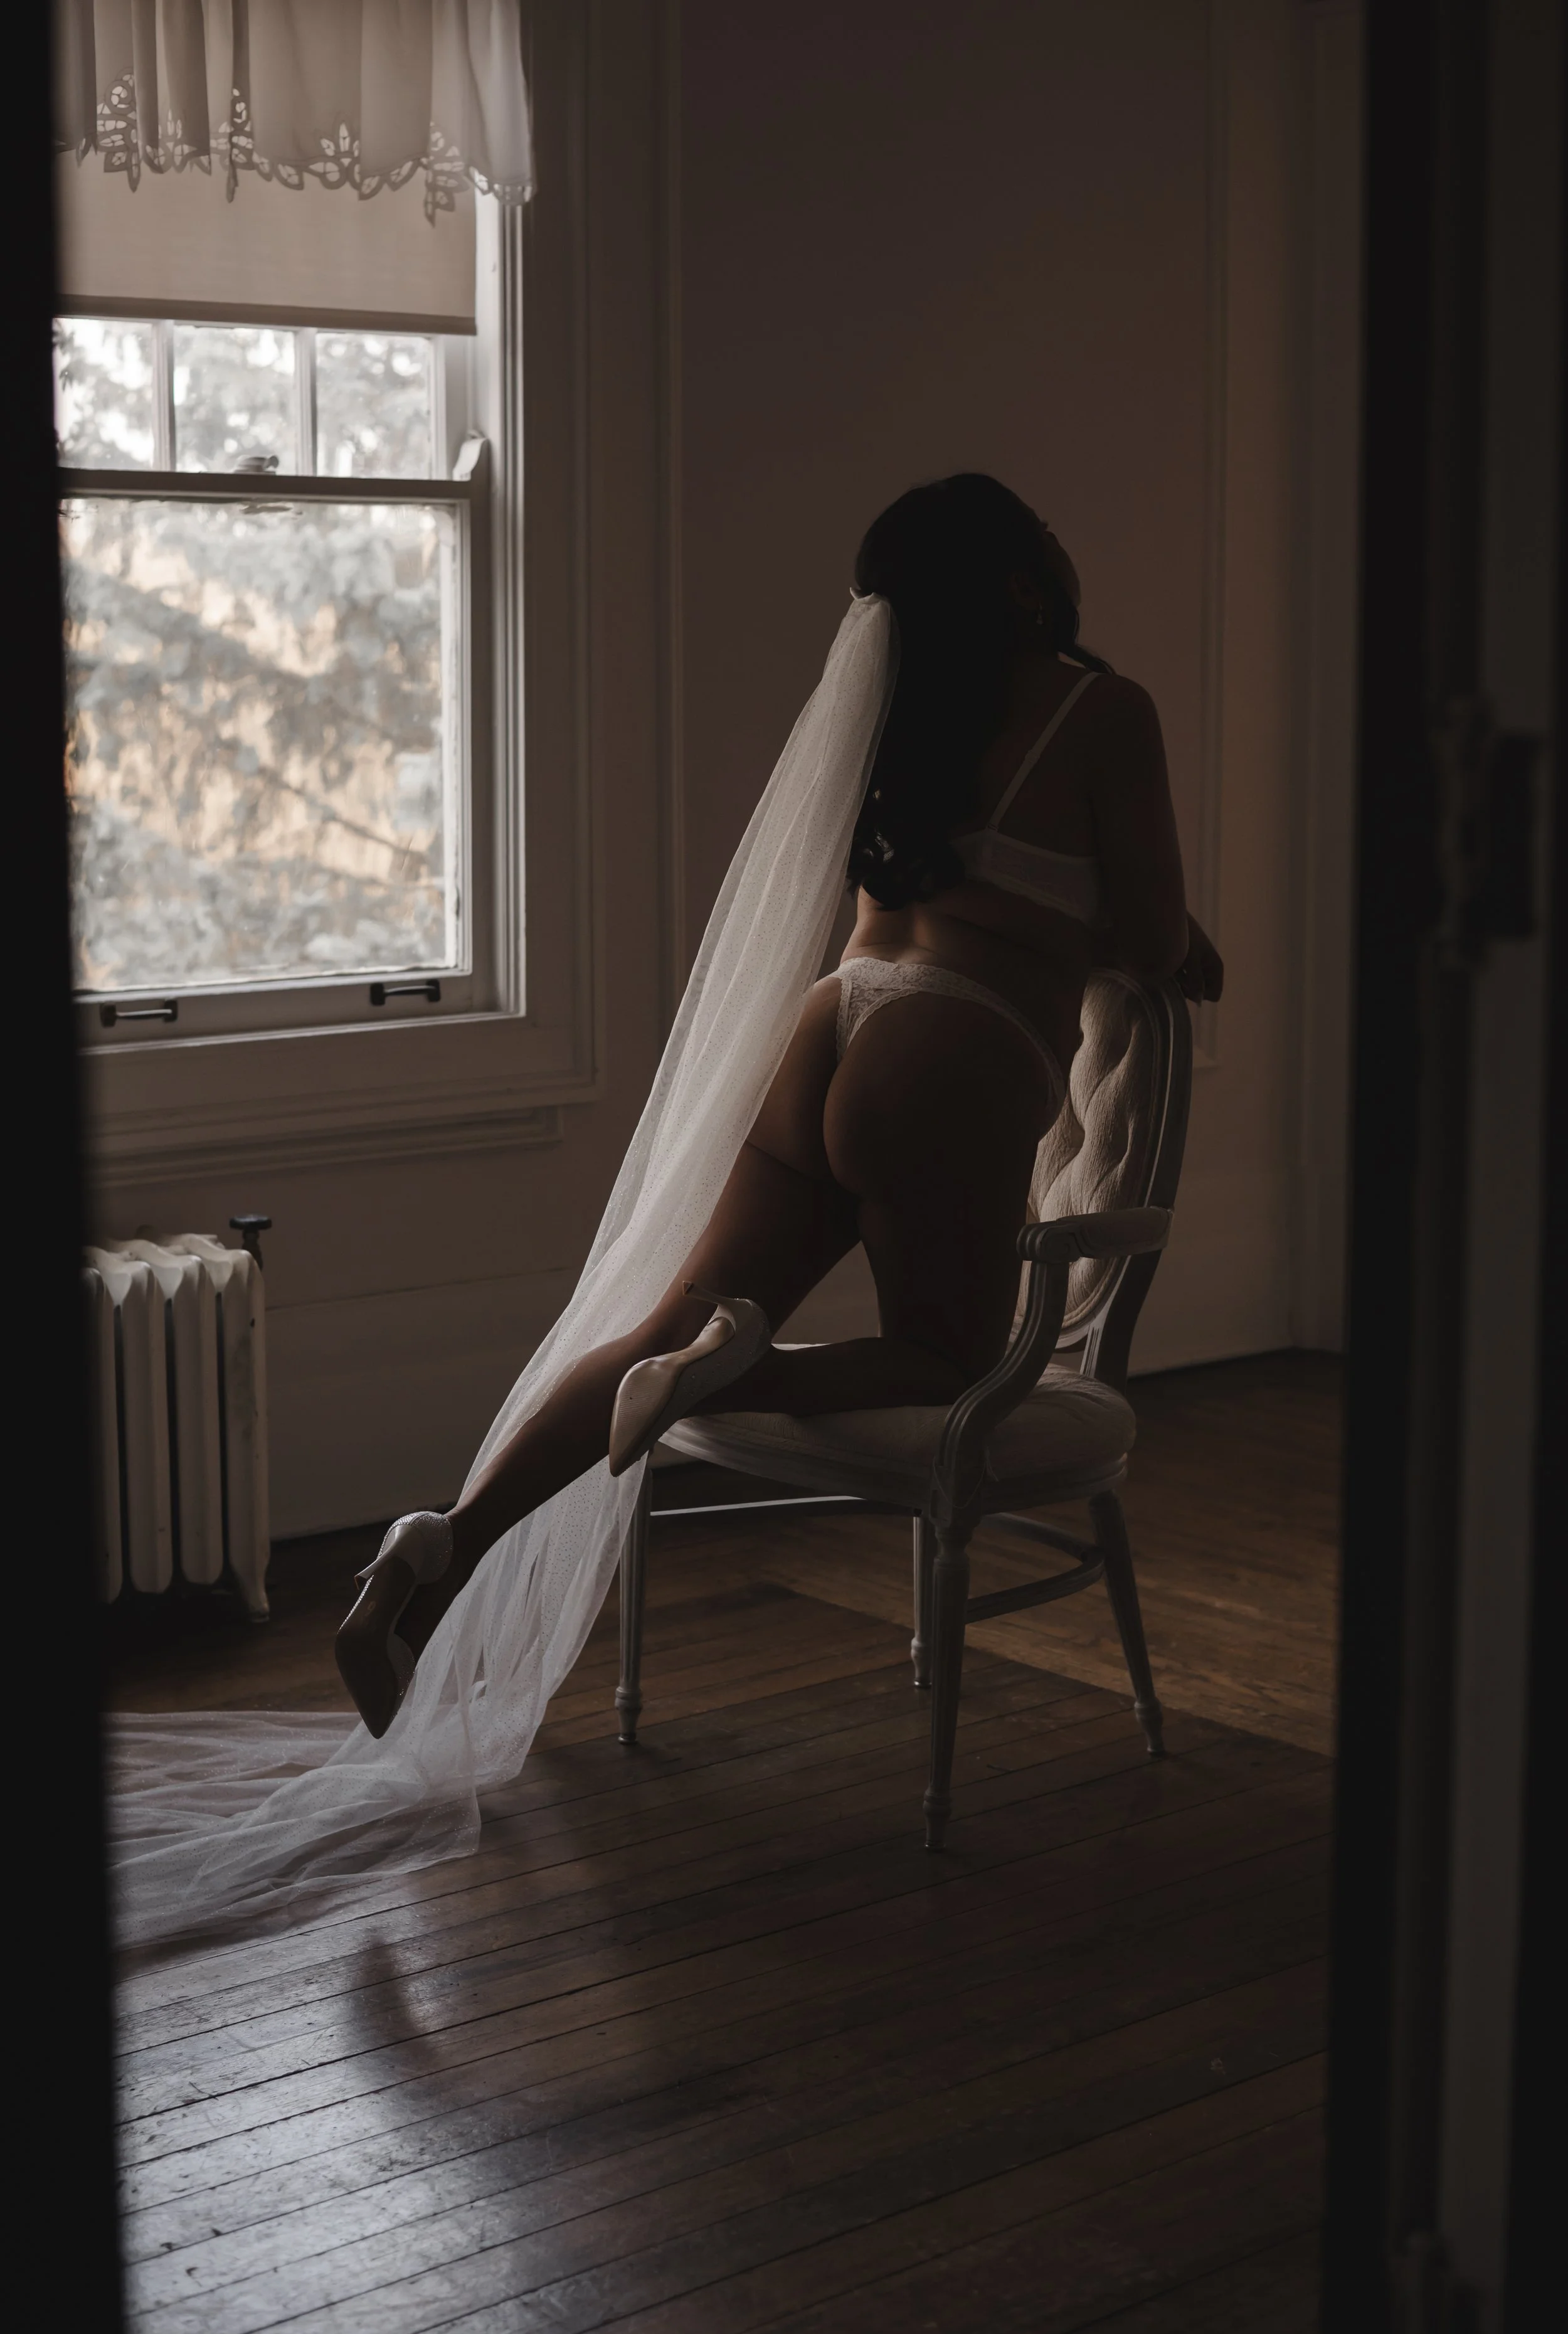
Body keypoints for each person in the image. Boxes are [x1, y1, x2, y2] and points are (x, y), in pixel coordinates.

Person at [336, 472, 1222, 1741]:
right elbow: (1138, 934)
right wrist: (1174, 933)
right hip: (953, 1049)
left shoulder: (889, 710)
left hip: (831, 1022)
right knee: (948, 1361)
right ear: (1024, 587)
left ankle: (435, 1553)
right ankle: (727, 1379)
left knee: (658, 1318)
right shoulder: (1099, 708)